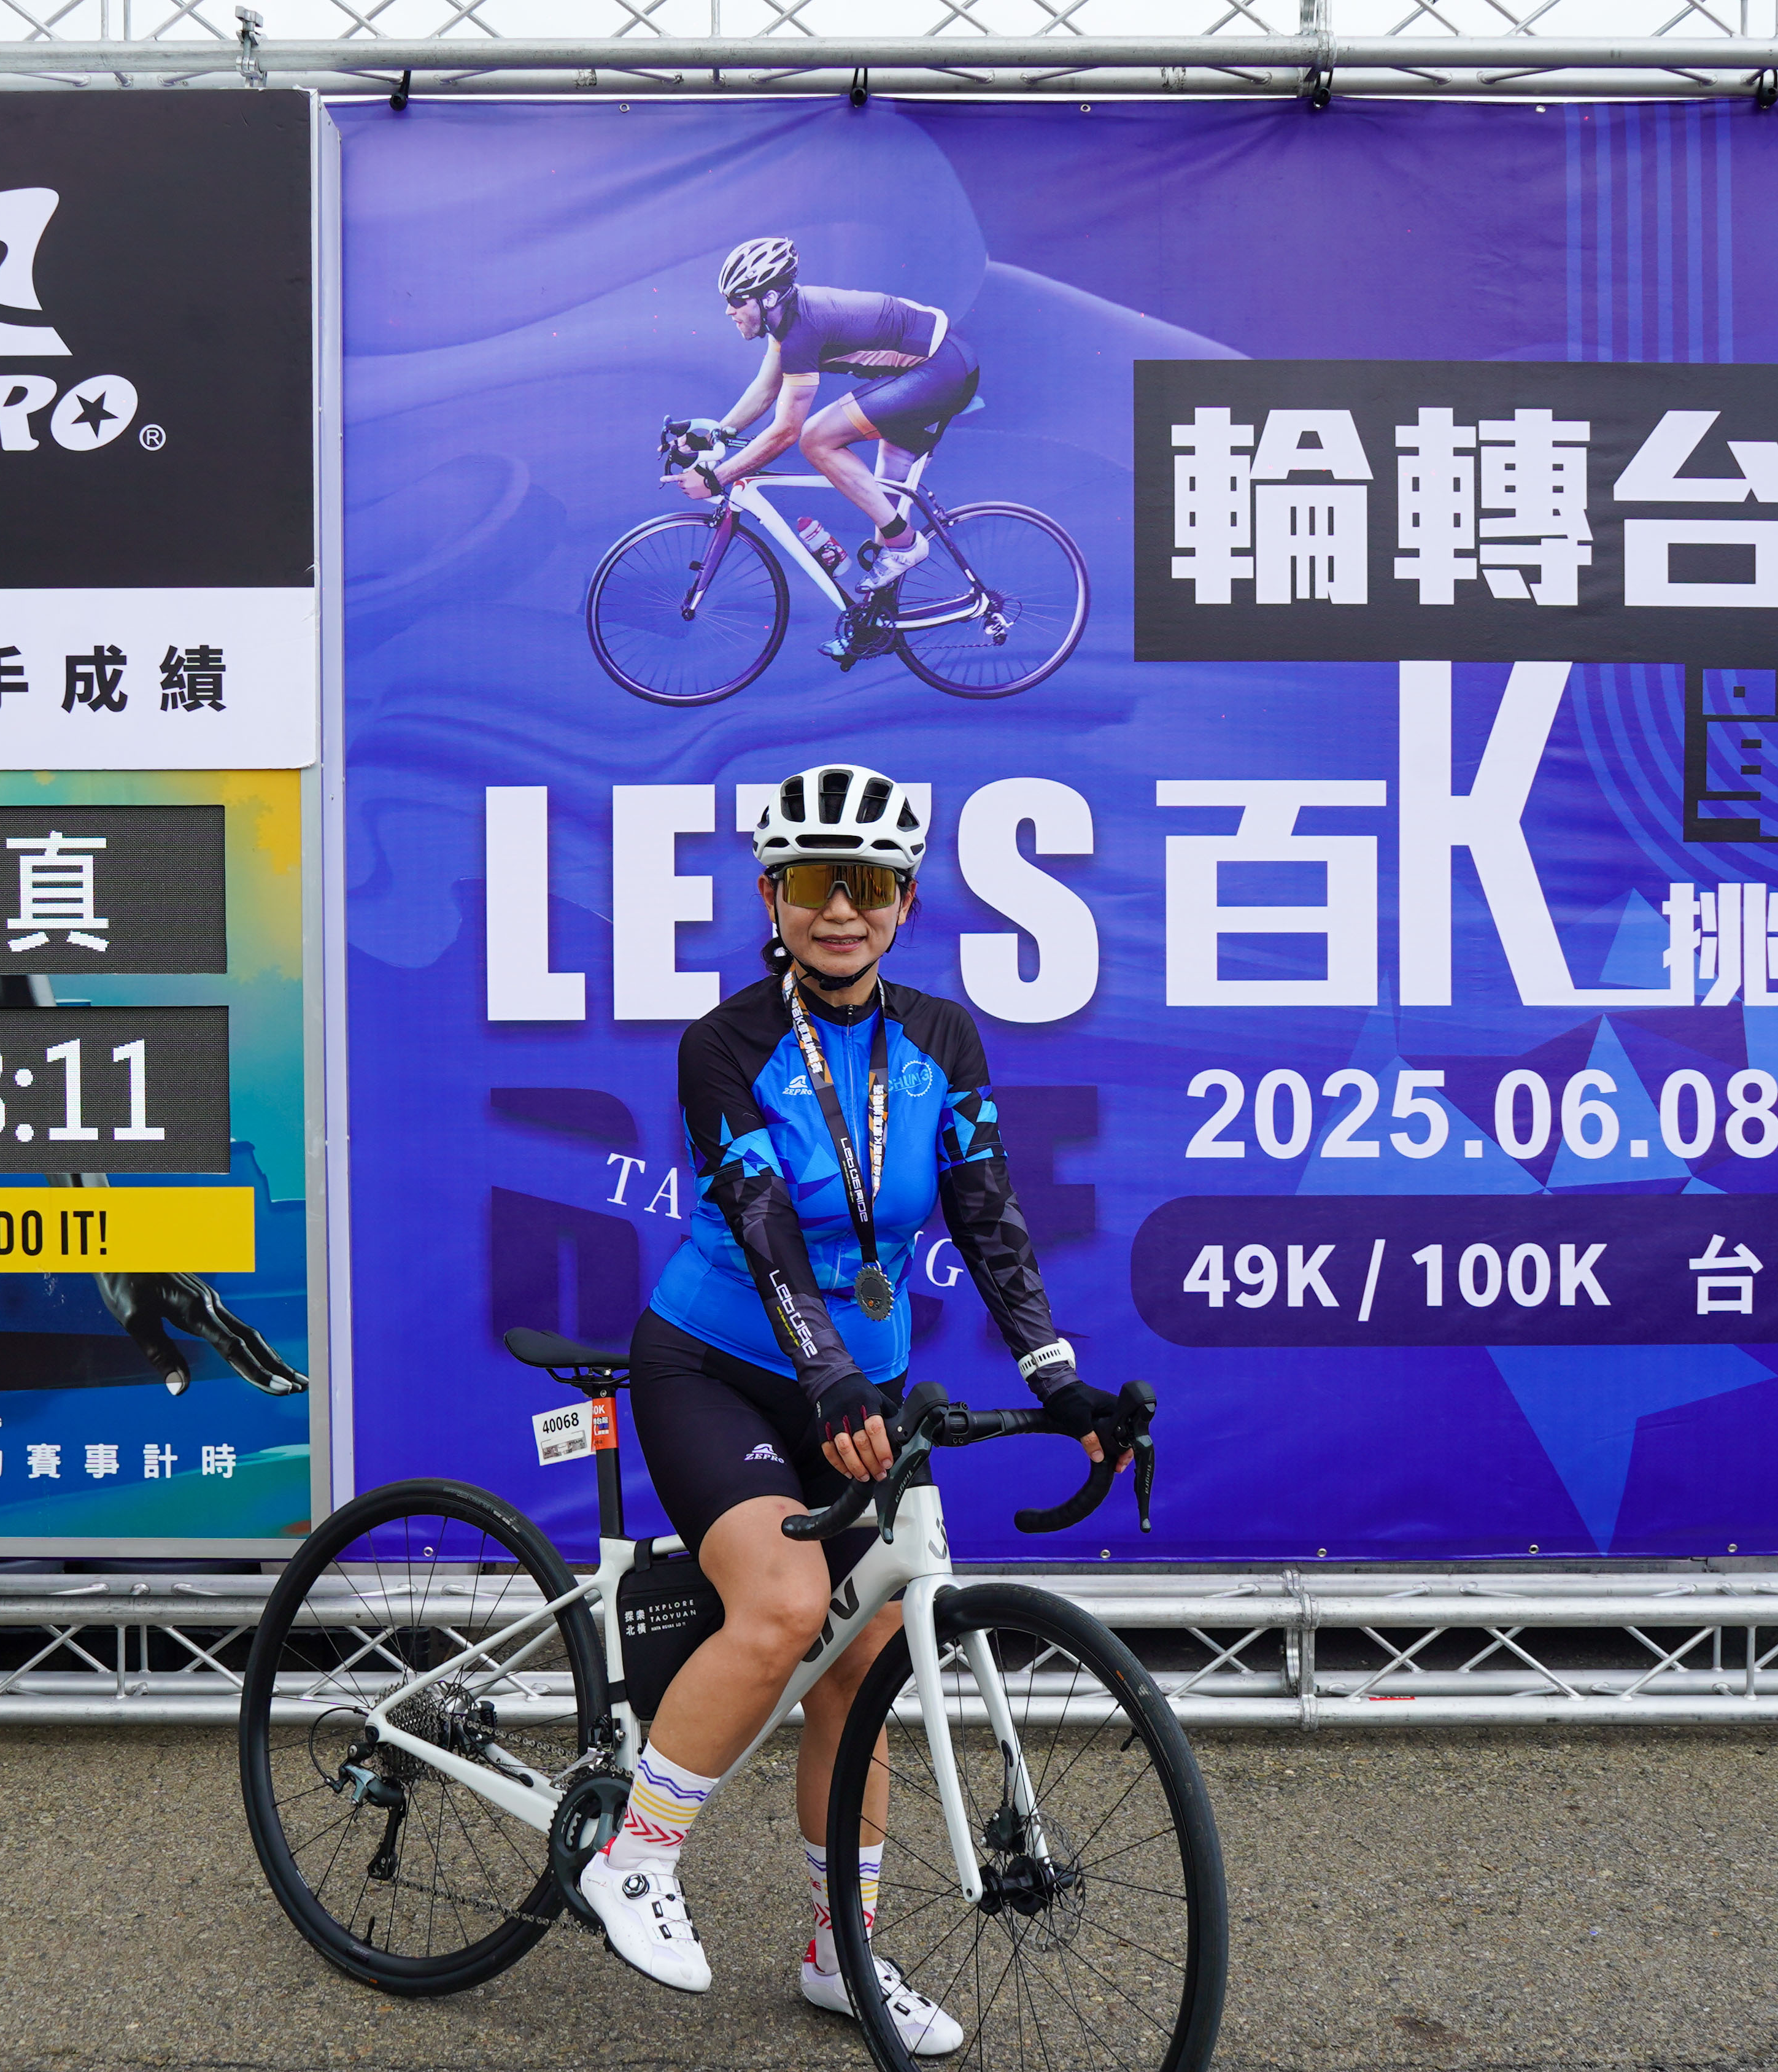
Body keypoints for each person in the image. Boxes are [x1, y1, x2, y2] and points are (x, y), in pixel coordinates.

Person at [572, 761, 1132, 2054]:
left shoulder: (942, 1039)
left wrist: (1056, 1378)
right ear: (773, 897)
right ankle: (636, 1856)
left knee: (866, 1659)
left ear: (904, 903)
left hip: (850, 1380)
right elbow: (763, 1223)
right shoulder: (725, 1045)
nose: (842, 909)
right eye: (817, 883)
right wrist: (825, 1374)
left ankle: (844, 1950)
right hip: (718, 1361)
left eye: (870, 884)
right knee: (782, 1607)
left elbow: (989, 1215)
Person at [673, 236, 980, 605]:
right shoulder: (787, 320)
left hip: (940, 372)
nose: (729, 311)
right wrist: (716, 435)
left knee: (816, 438)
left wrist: (716, 478)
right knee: (882, 513)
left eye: (738, 300)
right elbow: (765, 389)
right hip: (936, 366)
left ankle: (905, 544)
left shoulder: (802, 331)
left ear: (768, 298)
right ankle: (881, 613)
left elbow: (786, 432)